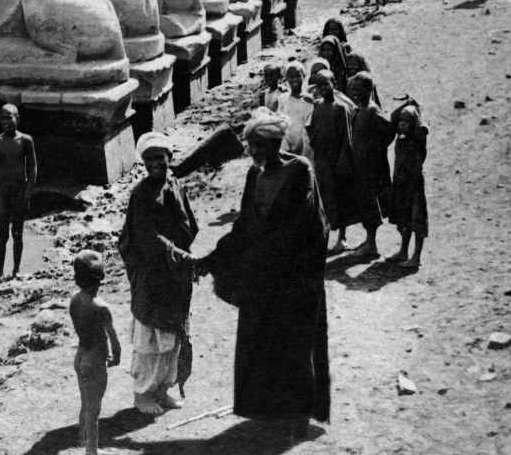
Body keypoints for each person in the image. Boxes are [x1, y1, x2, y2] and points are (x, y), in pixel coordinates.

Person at [194, 111, 330, 438]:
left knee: (294, 344)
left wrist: (273, 258)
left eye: (259, 144)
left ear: (275, 143)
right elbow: (244, 226)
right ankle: (270, 411)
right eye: (250, 145)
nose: (253, 151)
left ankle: (298, 416)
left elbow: (305, 224)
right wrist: (213, 258)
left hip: (294, 276)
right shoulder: (254, 177)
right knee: (263, 342)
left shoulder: (300, 170)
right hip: (264, 276)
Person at [117, 131, 198, 416]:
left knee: (172, 337)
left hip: (174, 276)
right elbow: (146, 237)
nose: (154, 164)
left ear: (169, 158)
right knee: (150, 338)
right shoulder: (141, 194)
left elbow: (189, 225)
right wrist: (180, 254)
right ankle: (142, 393)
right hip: (152, 276)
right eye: (148, 159)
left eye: (159, 158)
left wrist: (182, 256)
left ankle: (163, 389)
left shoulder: (175, 185)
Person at [68, 249, 121, 455]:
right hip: (95, 360)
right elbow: (113, 337)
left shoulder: (74, 299)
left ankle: (84, 440)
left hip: (80, 355)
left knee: (85, 402)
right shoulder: (101, 306)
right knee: (94, 409)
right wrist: (116, 356)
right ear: (99, 281)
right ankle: (91, 451)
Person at [344, 71, 396, 260]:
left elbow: (389, 129)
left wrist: (377, 149)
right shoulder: (359, 109)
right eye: (354, 89)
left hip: (370, 167)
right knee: (363, 202)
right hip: (360, 165)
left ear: (369, 89)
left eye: (360, 89)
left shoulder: (373, 111)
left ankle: (372, 243)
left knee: (370, 203)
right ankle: (368, 240)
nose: (355, 93)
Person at [305, 69, 356, 254]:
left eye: (326, 84)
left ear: (334, 84)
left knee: (339, 197)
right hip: (321, 159)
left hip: (336, 160)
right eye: (319, 85)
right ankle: (324, 236)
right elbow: (311, 127)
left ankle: (342, 237)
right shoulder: (317, 106)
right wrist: (314, 140)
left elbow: (346, 137)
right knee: (323, 198)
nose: (323, 88)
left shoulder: (340, 108)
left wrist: (344, 160)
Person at [0, 104, 38, 283]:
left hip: (19, 192)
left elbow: (32, 169)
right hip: (3, 192)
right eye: (3, 118)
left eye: (10, 117)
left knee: (18, 234)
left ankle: (16, 271)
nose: (6, 122)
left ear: (18, 118)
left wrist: (27, 194)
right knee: (2, 235)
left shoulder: (26, 140)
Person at [386, 99, 428, 270]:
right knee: (403, 219)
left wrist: (417, 108)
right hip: (401, 183)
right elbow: (393, 117)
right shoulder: (400, 139)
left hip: (414, 184)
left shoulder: (418, 139)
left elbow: (423, 126)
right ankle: (403, 251)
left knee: (417, 219)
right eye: (401, 122)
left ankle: (416, 256)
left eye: (406, 122)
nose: (402, 125)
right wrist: (406, 104)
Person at [277, 62, 313, 158]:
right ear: (286, 78)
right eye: (290, 76)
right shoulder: (282, 99)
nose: (294, 79)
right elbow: (280, 123)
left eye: (297, 76)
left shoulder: (310, 100)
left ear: (304, 77)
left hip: (306, 147)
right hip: (287, 146)